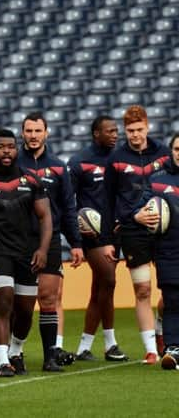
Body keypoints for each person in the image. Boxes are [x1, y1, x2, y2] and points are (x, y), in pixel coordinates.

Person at [0, 129, 52, 377]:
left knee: (25, 311)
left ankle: (16, 350)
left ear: (17, 149)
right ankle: (3, 361)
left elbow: (46, 217)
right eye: (1, 146)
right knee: (3, 303)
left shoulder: (31, 181)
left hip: (27, 253)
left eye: (11, 146)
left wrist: (43, 249)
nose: (7, 151)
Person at [16, 112, 84, 372]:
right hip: (18, 241)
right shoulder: (12, 165)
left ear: (47, 133)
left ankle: (49, 356)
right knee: (20, 301)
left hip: (50, 240)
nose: (33, 135)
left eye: (38, 131)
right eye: (29, 131)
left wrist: (75, 243)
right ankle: (16, 352)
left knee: (48, 298)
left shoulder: (58, 166)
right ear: (22, 133)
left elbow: (68, 207)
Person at [102, 105, 169, 364]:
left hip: (165, 231)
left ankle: (163, 327)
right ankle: (152, 348)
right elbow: (107, 203)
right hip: (132, 232)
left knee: (170, 291)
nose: (135, 135)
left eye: (139, 129)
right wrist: (108, 240)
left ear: (148, 127)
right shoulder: (116, 159)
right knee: (142, 289)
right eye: (130, 130)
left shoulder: (164, 154)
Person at [68, 116, 128, 362]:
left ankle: (84, 346)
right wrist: (78, 229)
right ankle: (111, 343)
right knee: (110, 281)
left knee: (100, 289)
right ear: (96, 134)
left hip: (115, 233)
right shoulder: (79, 162)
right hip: (93, 236)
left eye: (116, 130)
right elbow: (66, 201)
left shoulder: (121, 159)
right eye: (109, 131)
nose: (115, 134)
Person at [133, 133, 179, 369]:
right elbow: (140, 205)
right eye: (178, 149)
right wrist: (139, 215)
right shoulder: (158, 180)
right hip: (169, 250)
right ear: (171, 151)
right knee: (173, 300)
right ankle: (172, 350)